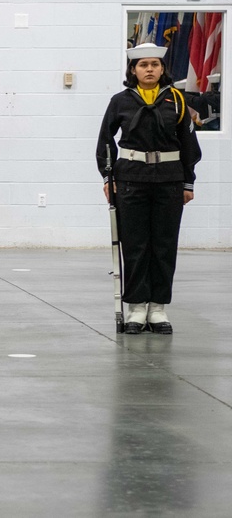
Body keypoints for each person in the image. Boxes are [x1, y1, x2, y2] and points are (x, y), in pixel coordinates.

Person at [96, 42, 202, 334]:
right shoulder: (121, 101)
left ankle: (158, 308)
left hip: (169, 180)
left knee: (164, 245)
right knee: (135, 244)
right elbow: (106, 140)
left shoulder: (177, 100)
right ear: (133, 70)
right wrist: (108, 177)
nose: (150, 70)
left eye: (155, 65)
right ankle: (137, 308)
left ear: (162, 69)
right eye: (143, 65)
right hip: (131, 179)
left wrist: (188, 181)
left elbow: (189, 145)